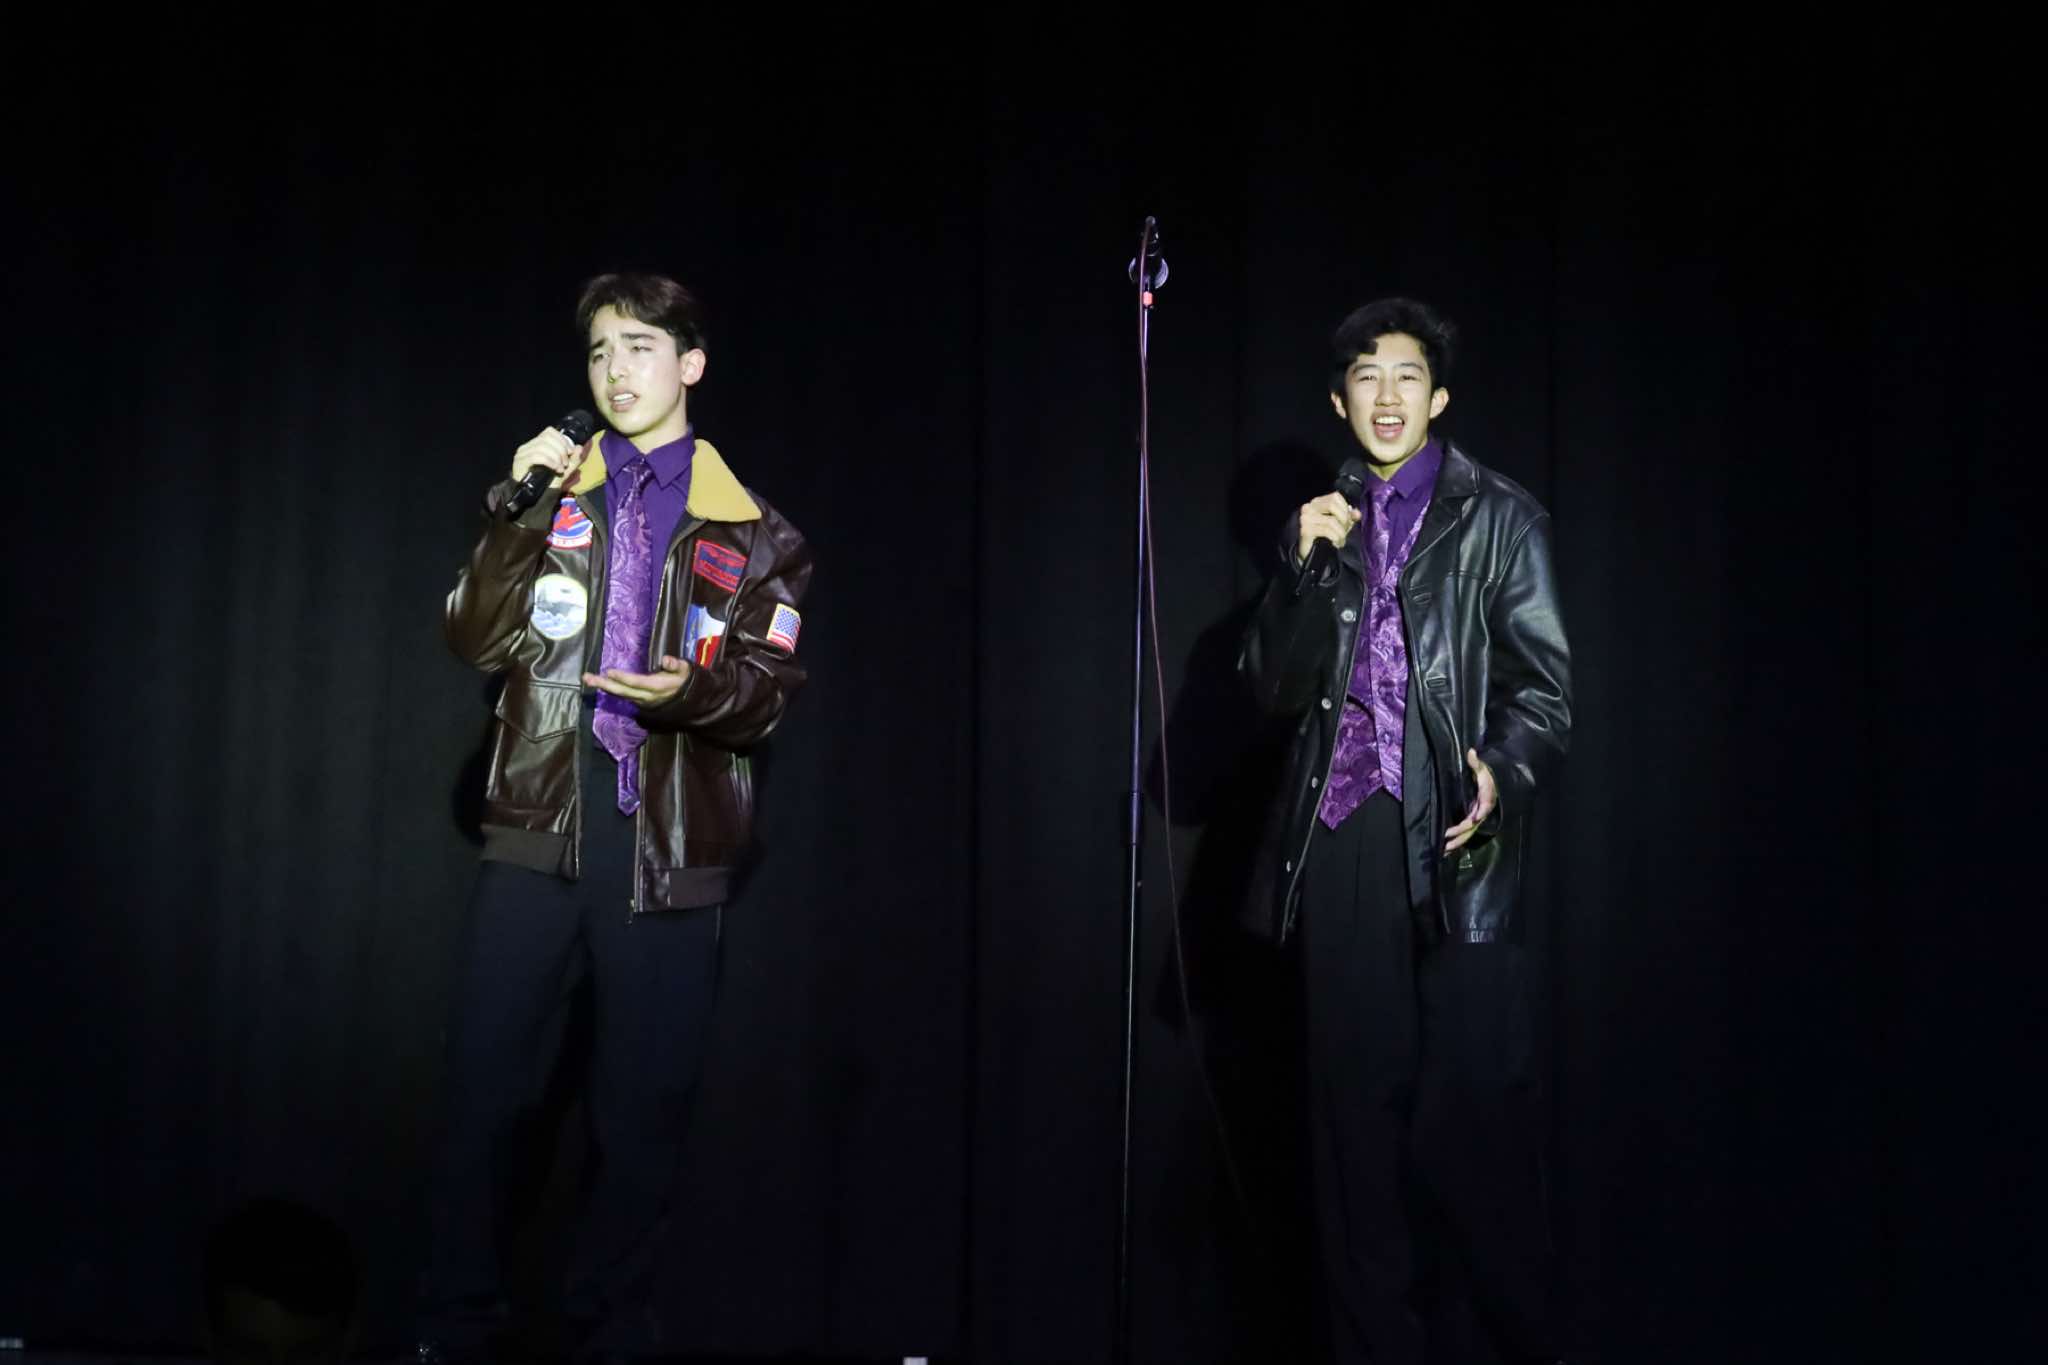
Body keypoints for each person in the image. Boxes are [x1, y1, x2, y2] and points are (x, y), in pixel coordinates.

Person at [425, 271, 813, 1360]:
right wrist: (512, 515)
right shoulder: (547, 497)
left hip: (667, 839)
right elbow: (470, 636)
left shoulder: (759, 532)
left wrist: (689, 690)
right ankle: (455, 1323)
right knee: (484, 1094)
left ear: (690, 364)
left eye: (639, 347)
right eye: (599, 351)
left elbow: (768, 692)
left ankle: (612, 1330)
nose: (614, 370)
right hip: (539, 823)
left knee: (643, 1112)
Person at [1239, 298, 1572, 1364]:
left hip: (1458, 848)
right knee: (1353, 1141)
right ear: (1340, 403)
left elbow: (1544, 693)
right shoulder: (1318, 526)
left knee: (1472, 1136)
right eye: (1366, 378)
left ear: (1440, 397)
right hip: (1341, 844)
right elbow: (1270, 692)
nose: (1387, 396)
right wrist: (1299, 571)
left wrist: (1500, 768)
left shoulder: (1501, 518)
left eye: (1407, 376)